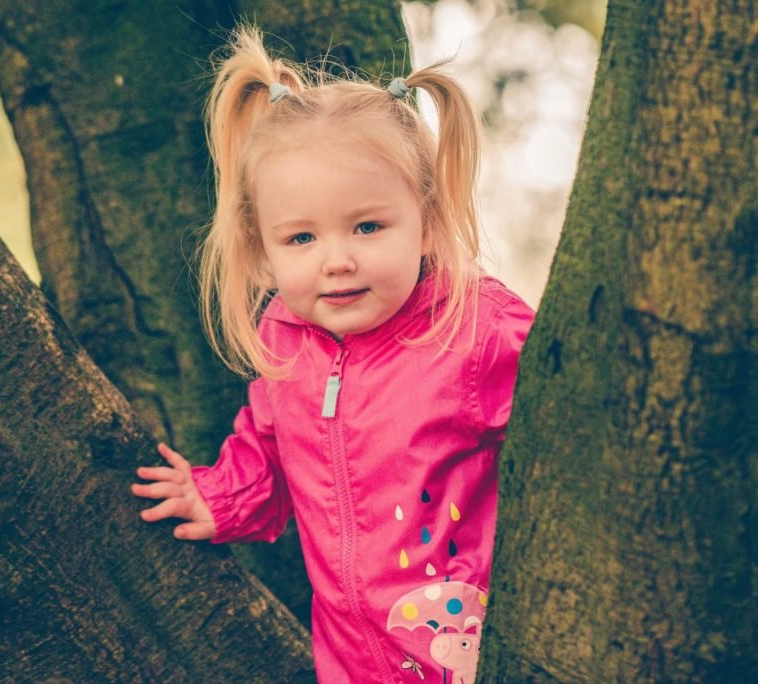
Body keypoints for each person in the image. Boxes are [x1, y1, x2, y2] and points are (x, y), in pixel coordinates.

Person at [131, 25, 534, 683]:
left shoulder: (474, 328)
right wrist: (218, 496)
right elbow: (266, 447)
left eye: (368, 226)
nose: (337, 260)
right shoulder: (286, 339)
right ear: (261, 249)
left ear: (428, 220)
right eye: (301, 238)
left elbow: (574, 441)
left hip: (472, 653)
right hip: (350, 661)